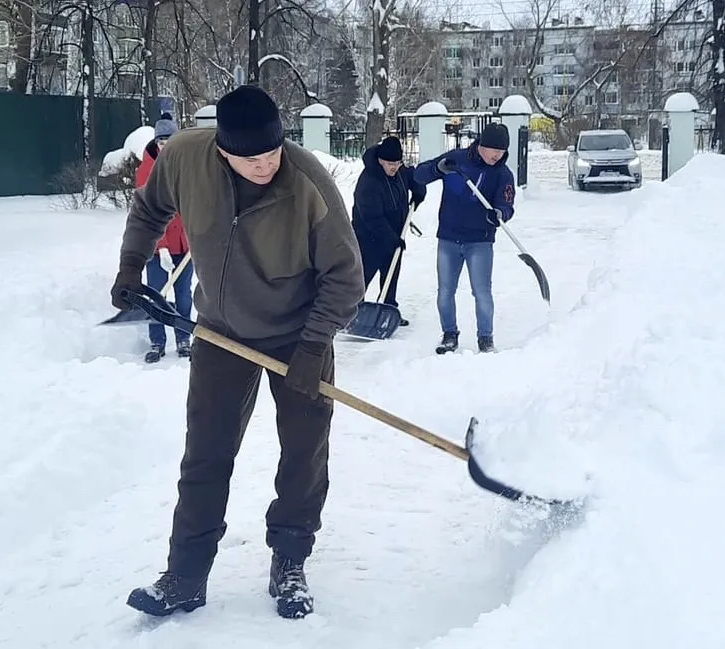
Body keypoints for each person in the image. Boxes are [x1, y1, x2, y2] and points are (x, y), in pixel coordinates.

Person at [109, 85, 365, 619]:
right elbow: (149, 210)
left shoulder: (308, 182)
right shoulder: (185, 157)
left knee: (303, 452)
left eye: (273, 152)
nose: (266, 165)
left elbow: (345, 277)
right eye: (252, 159)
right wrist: (131, 266)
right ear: (223, 150)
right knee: (205, 453)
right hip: (222, 333)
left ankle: (290, 560)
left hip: (299, 334)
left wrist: (313, 346)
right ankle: (185, 574)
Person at [413, 122, 516, 354]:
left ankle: (485, 338)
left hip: (480, 241)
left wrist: (498, 214)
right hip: (448, 239)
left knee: (482, 292)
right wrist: (437, 169)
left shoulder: (502, 173)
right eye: (494, 150)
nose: (498, 156)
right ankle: (449, 334)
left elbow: (507, 204)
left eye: (502, 151)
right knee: (445, 291)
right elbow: (420, 175)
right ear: (482, 145)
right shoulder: (456, 160)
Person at [135, 116, 194, 363]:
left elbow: (196, 205)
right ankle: (157, 342)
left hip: (185, 246)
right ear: (155, 143)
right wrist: (162, 247)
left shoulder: (188, 167)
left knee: (183, 296)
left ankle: (183, 339)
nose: (165, 147)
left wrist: (195, 237)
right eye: (161, 142)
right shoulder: (146, 171)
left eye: (170, 142)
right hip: (156, 246)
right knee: (156, 295)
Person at [350, 136, 425, 325]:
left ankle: (388, 310)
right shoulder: (368, 182)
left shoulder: (400, 171)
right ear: (380, 160)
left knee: (391, 275)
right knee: (362, 278)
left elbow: (413, 176)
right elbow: (371, 217)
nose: (394, 167)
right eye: (391, 164)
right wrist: (391, 239)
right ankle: (352, 314)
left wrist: (418, 190)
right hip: (368, 238)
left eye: (398, 163)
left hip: (394, 233)